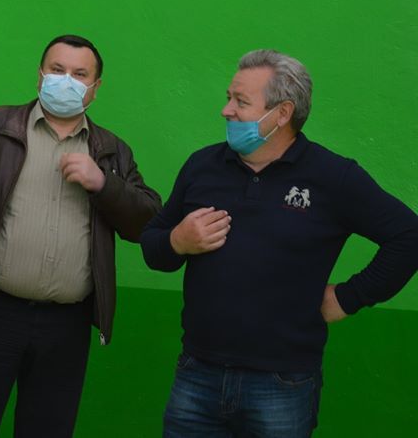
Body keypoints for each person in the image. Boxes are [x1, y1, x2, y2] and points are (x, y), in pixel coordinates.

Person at [141, 49, 418, 437]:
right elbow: (152, 246)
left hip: (282, 384)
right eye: (229, 97)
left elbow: (408, 235)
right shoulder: (202, 166)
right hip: (197, 374)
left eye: (241, 101)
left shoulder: (333, 177)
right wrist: (177, 241)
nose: (226, 110)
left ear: (282, 113)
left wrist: (349, 297)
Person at [0, 34, 162, 438]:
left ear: (95, 88)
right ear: (39, 75)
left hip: (66, 327)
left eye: (79, 74)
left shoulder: (110, 151)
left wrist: (103, 184)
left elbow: (148, 222)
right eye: (57, 69)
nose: (66, 80)